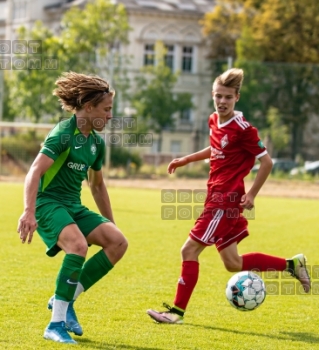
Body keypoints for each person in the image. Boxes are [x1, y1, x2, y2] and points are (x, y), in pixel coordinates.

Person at [146, 68, 310, 324]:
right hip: (215, 197)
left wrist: (252, 194)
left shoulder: (244, 129)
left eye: (227, 97)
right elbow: (215, 147)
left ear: (237, 98)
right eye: (218, 96)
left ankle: (176, 313)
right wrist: (187, 159)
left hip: (225, 200)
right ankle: (292, 265)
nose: (222, 102)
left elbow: (266, 162)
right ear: (213, 96)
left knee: (188, 250)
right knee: (233, 262)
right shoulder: (214, 120)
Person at [17, 72, 128, 344]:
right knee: (78, 246)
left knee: (118, 243)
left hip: (72, 206)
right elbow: (34, 171)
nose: (110, 116)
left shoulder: (95, 144)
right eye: (107, 109)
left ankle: (64, 300)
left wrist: (110, 223)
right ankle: (55, 325)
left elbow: (98, 187)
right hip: (47, 204)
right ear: (88, 108)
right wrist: (28, 211)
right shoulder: (63, 134)